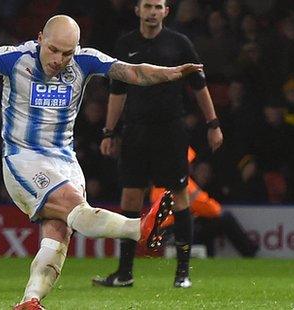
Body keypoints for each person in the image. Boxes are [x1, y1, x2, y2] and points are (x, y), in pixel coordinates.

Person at [0, 15, 203, 310]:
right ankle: (137, 229)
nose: (59, 60)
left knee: (59, 231)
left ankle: (30, 301)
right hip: (24, 159)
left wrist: (171, 73)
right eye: (53, 50)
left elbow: (132, 71)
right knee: (71, 204)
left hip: (64, 160)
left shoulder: (85, 61)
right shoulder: (13, 58)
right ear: (39, 39)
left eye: (67, 53)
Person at [93, 0, 223, 289]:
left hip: (170, 131)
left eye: (158, 6)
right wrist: (109, 132)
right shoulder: (125, 44)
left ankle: (182, 273)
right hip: (135, 132)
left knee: (180, 195)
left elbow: (199, 86)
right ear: (137, 10)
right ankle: (125, 273)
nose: (152, 11)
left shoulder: (179, 43)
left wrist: (213, 124)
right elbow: (118, 90)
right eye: (147, 6)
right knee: (129, 199)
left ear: (166, 12)